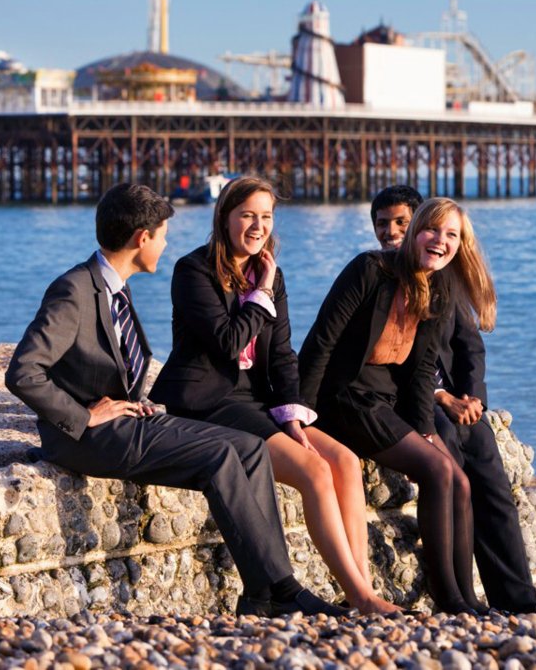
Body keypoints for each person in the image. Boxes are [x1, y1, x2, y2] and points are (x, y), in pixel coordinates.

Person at [5, 182, 342, 619]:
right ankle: (280, 589)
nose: (166, 244)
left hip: (126, 420)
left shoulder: (113, 287)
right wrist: (85, 416)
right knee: (221, 452)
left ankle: (267, 590)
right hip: (86, 437)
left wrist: (127, 402)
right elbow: (23, 372)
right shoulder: (75, 289)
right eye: (162, 234)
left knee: (250, 448)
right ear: (142, 238)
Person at [150, 177, 398, 615]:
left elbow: (282, 354)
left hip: (256, 400)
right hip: (207, 401)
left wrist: (292, 417)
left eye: (265, 216)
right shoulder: (194, 271)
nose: (257, 225)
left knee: (344, 461)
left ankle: (361, 588)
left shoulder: (270, 275)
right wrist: (260, 292)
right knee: (314, 471)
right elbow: (228, 342)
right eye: (247, 215)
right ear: (224, 218)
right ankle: (362, 597)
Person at [299, 196, 492, 615]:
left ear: (460, 244)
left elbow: (422, 371)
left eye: (452, 235)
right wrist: (301, 414)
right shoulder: (369, 270)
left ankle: (467, 597)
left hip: (386, 400)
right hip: (343, 397)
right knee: (438, 469)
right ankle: (448, 599)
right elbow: (321, 340)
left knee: (457, 477)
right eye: (433, 230)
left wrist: (425, 430)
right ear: (416, 230)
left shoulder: (440, 287)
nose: (440, 241)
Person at [369, 185, 536, 616]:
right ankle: (457, 595)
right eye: (383, 224)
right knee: (447, 456)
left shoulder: (444, 278)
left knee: (490, 472)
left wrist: (472, 399)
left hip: (449, 399)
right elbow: (378, 361)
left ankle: (518, 600)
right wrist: (440, 397)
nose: (392, 231)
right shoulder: (376, 274)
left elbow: (469, 349)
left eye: (401, 222)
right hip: (404, 400)